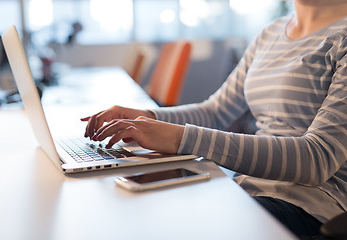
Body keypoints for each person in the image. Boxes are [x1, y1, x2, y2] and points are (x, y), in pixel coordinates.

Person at [81, 0, 347, 238]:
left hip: (308, 208)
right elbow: (216, 112)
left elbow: (318, 158)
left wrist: (180, 138)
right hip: (244, 186)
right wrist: (147, 118)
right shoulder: (272, 32)